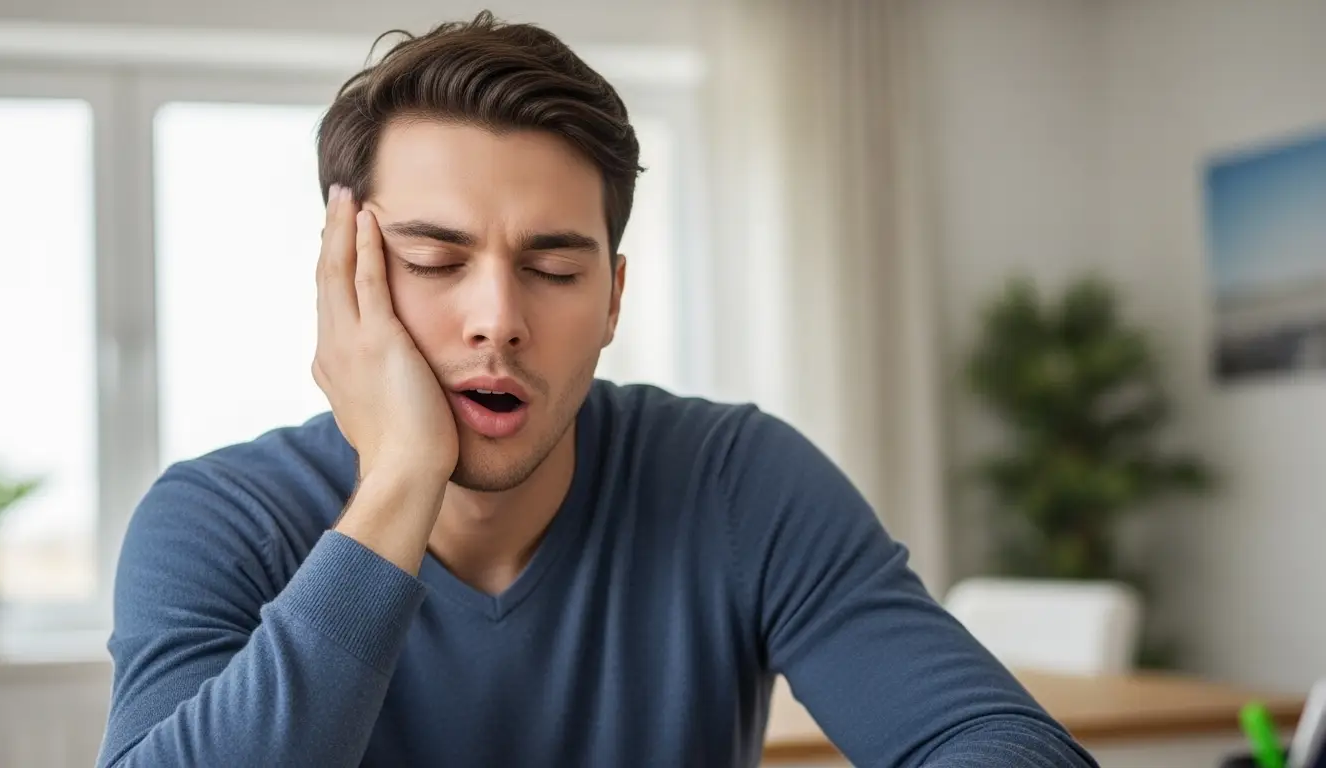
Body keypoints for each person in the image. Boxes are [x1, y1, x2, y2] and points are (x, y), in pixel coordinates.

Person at [97, 11, 1097, 768]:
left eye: (556, 267)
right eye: (437, 260)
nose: (497, 317)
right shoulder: (215, 519)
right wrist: (402, 477)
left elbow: (994, 744)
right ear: (346, 281)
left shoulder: (736, 480)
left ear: (613, 298)